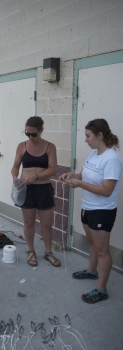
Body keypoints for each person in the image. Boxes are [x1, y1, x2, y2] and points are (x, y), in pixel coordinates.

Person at [59, 119, 123, 304]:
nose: (86, 140)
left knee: (102, 250)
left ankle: (101, 290)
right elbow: (83, 175)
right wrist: (72, 176)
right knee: (92, 243)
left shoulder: (112, 159)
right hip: (88, 207)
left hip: (102, 211)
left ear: (100, 135)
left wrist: (79, 183)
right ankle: (91, 271)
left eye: (88, 136)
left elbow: (106, 190)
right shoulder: (94, 154)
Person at [11, 116, 61, 268]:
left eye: (34, 134)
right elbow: (15, 166)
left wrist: (37, 176)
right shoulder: (22, 146)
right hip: (26, 189)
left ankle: (48, 252)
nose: (30, 137)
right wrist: (15, 178)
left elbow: (53, 169)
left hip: (43, 188)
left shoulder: (50, 147)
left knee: (46, 224)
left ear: (41, 131)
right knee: (29, 223)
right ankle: (31, 251)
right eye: (27, 134)